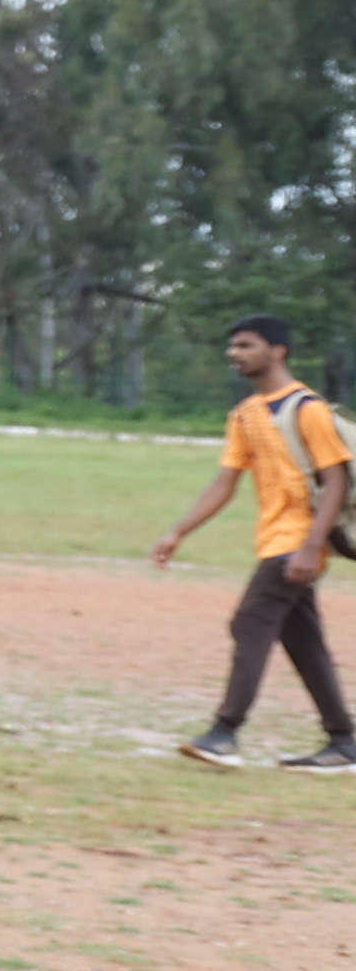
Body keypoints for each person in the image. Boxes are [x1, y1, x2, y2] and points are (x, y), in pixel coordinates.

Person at [150, 315, 356, 770]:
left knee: (249, 624)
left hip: (298, 542)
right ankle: (344, 741)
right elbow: (225, 483)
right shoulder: (244, 414)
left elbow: (336, 482)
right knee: (303, 639)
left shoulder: (307, 409)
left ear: (277, 351)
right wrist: (178, 532)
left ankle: (224, 733)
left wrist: (311, 546)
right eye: (233, 346)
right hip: (275, 540)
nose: (234, 353)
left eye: (246, 345)